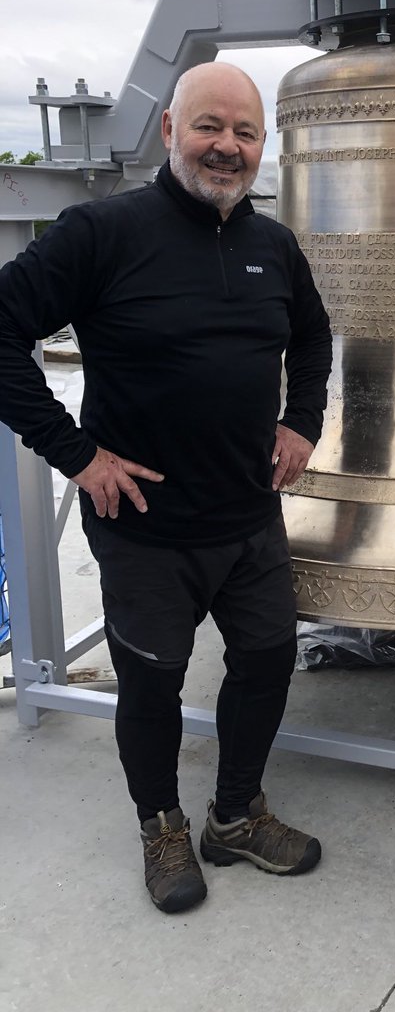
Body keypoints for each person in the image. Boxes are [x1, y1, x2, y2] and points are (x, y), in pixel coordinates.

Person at [0, 62, 333, 914]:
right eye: (209, 126)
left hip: (248, 517)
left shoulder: (273, 244)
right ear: (169, 133)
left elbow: (313, 336)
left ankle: (235, 816)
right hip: (145, 524)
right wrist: (76, 454)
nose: (227, 147)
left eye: (245, 132)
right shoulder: (101, 233)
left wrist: (303, 423)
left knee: (265, 661)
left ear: (264, 145)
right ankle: (161, 824)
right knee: (153, 682)